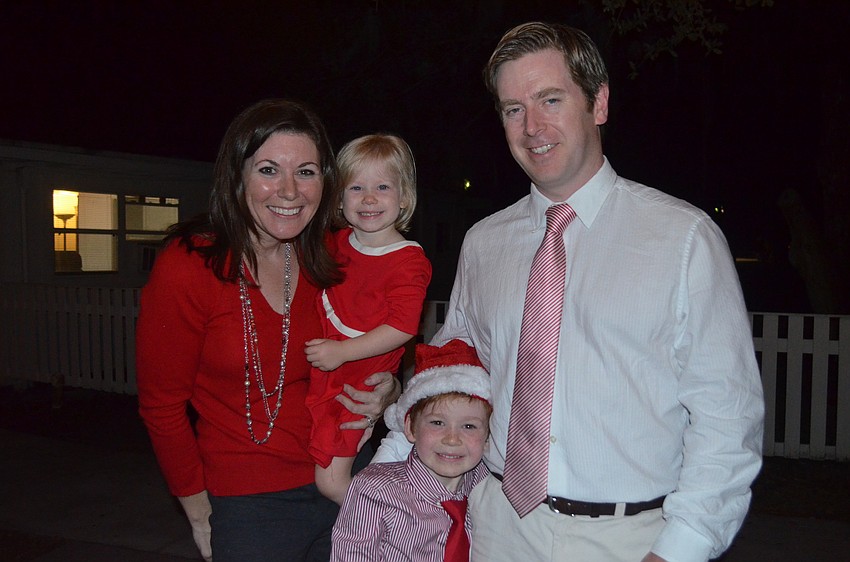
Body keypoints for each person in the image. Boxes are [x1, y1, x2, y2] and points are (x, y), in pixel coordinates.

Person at [376, 21, 764, 562]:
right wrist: (394, 407)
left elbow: (727, 415)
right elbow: (455, 369)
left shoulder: (682, 238)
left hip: (630, 539)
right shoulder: (485, 242)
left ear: (598, 103)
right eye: (513, 109)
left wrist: (681, 548)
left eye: (550, 99)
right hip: (499, 529)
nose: (532, 126)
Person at [136, 99, 401, 562]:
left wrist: (389, 390)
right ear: (237, 176)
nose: (289, 191)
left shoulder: (333, 255)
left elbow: (381, 342)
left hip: (348, 477)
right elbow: (162, 406)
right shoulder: (190, 265)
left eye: (306, 172)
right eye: (268, 169)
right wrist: (198, 511)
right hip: (250, 504)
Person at [304, 133, 432, 505]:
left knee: (330, 481)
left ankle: (396, 525)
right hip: (331, 370)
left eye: (382, 187)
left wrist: (343, 352)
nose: (369, 198)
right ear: (339, 198)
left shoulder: (408, 260)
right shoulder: (338, 242)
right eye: (356, 187)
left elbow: (403, 327)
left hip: (355, 380)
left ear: (404, 197)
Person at [332, 339, 491, 562]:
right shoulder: (375, 490)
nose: (452, 439)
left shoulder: (487, 487)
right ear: (410, 428)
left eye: (469, 426)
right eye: (437, 423)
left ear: (488, 438)